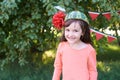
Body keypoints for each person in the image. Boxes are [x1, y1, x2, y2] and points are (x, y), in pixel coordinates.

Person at [52, 11, 98, 80]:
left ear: (82, 32)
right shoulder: (62, 46)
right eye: (67, 30)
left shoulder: (89, 50)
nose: (70, 35)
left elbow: (92, 71)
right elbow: (58, 67)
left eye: (75, 31)